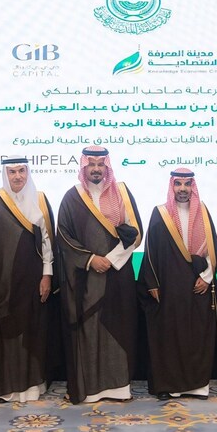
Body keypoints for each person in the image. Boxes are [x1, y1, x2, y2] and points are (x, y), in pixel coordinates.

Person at [57, 146, 143, 404]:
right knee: (89, 331)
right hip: (86, 280)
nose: (96, 169)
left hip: (118, 276)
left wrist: (111, 260)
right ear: (84, 167)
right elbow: (63, 236)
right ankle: (91, 388)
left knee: (118, 327)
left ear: (107, 166)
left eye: (100, 164)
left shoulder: (122, 193)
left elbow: (135, 233)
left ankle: (118, 387)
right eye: (91, 164)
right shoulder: (72, 197)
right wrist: (91, 260)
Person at [0, 157, 55, 403]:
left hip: (32, 280)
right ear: (5, 174)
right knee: (3, 333)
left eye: (21, 171)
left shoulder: (40, 199)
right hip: (2, 282)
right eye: (12, 172)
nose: (18, 176)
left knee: (32, 333)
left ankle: (32, 386)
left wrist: (47, 275)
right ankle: (5, 387)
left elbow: (48, 243)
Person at [138, 168, 217, 400]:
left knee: (197, 335)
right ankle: (170, 385)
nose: (183, 189)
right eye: (178, 184)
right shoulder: (161, 213)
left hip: (198, 286)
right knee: (170, 336)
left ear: (193, 186)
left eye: (187, 184)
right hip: (169, 287)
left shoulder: (203, 211)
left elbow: (213, 250)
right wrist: (152, 283)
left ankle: (197, 385)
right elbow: (150, 251)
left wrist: (206, 277)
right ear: (171, 186)